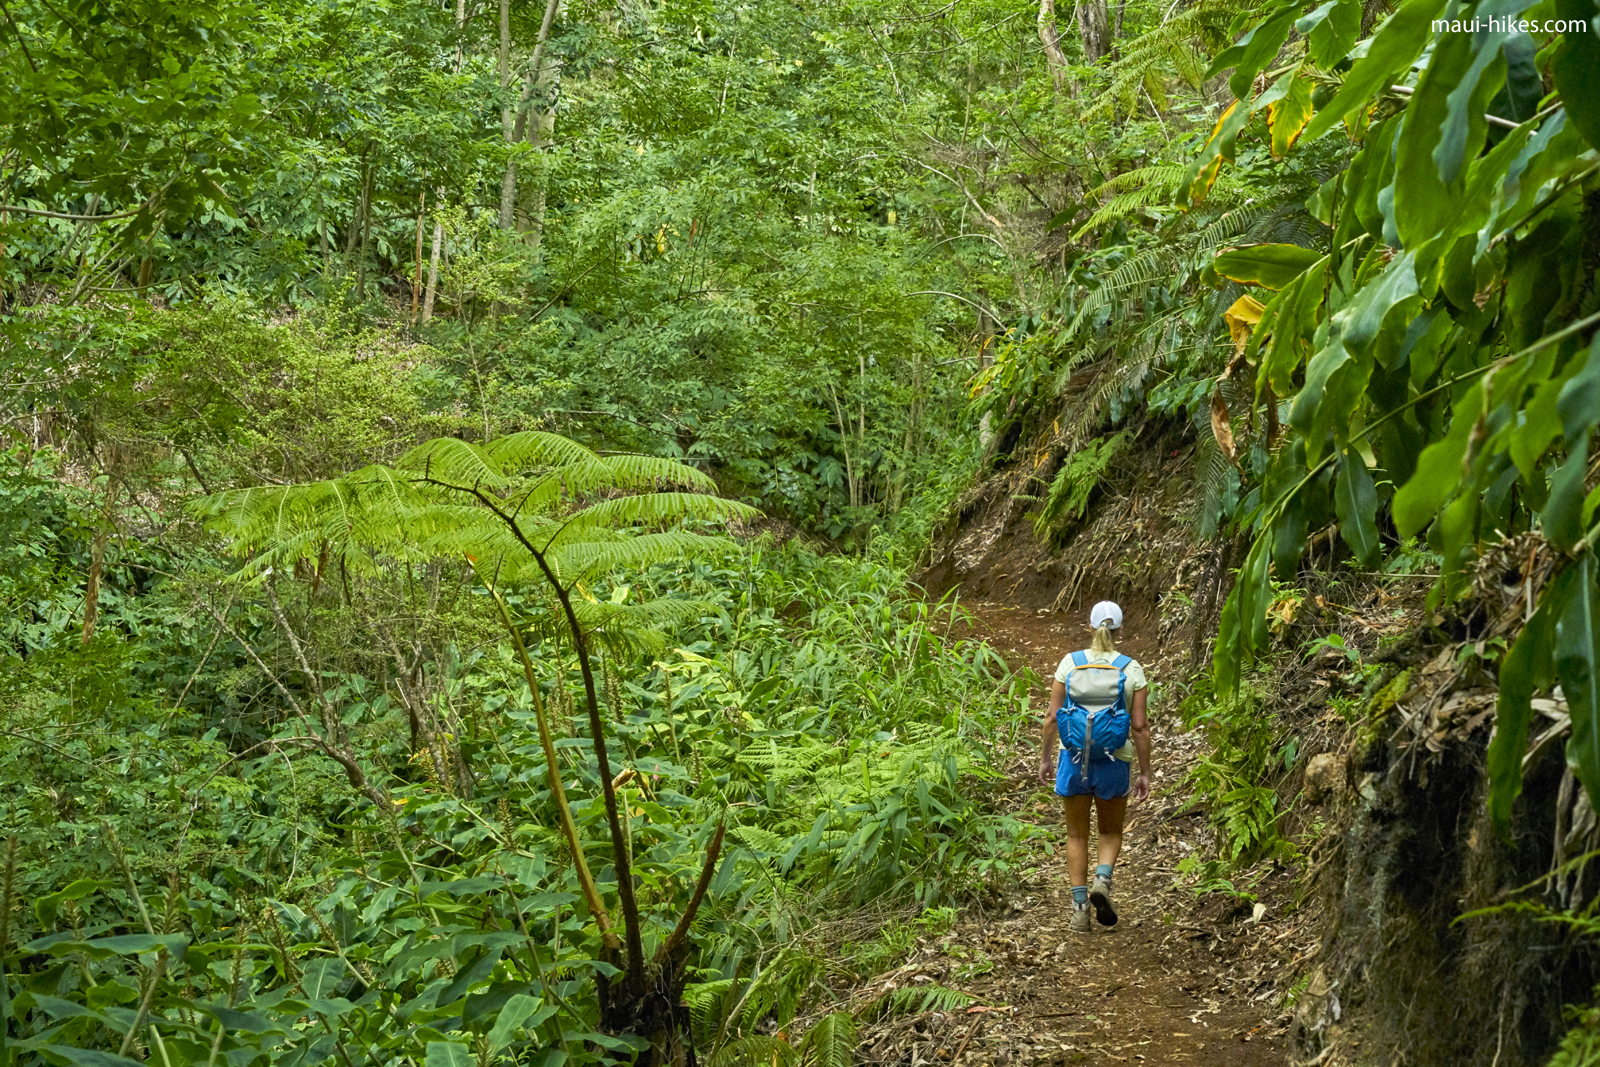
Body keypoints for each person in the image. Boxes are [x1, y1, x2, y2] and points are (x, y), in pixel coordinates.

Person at [1037, 600, 1152, 933]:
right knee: (1110, 830)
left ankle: (1079, 911)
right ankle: (1103, 879)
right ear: (1120, 630)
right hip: (1114, 761)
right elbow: (1141, 727)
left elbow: (1051, 717)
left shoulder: (1070, 664)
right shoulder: (1131, 670)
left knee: (1076, 833)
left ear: (1090, 627)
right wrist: (1145, 772)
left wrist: (1046, 759)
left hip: (1072, 760)